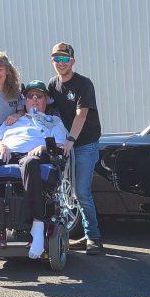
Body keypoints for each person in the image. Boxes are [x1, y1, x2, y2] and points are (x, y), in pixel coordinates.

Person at [0, 80, 68, 260]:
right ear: (25, 101)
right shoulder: (13, 120)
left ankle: (37, 227)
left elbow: (61, 145)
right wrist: (1, 146)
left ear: (46, 100)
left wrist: (43, 148)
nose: (35, 99)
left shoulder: (54, 121)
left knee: (30, 163)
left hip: (33, 155)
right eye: (30, 96)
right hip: (7, 153)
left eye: (39, 96)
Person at [47, 42, 103, 255]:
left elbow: (82, 114)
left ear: (72, 61)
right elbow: (43, 107)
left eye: (64, 59)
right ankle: (67, 234)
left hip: (85, 144)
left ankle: (94, 238)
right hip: (64, 146)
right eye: (56, 59)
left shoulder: (83, 84)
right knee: (62, 193)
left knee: (81, 192)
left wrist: (70, 139)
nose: (60, 63)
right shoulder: (53, 84)